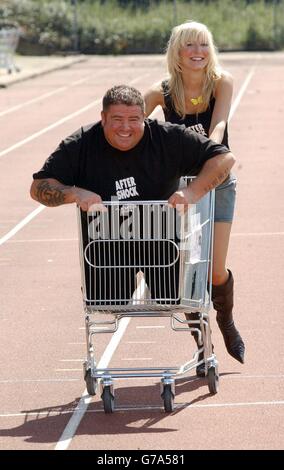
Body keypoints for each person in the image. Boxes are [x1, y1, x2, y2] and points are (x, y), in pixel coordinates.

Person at [30, 84, 235, 361]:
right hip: (107, 249)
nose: (125, 128)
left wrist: (192, 192)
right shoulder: (81, 143)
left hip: (164, 245)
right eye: (116, 120)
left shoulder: (166, 138)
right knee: (104, 300)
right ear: (103, 118)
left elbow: (224, 158)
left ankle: (203, 346)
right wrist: (74, 193)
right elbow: (38, 187)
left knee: (181, 294)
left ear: (144, 118)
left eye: (133, 120)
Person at [144, 21, 245, 376]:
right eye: (189, 45)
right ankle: (203, 344)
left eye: (203, 44)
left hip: (217, 181)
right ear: (177, 51)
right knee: (188, 273)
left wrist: (202, 145)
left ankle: (226, 320)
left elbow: (218, 126)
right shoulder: (162, 91)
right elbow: (128, 123)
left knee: (215, 271)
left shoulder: (221, 82)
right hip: (180, 190)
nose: (198, 51)